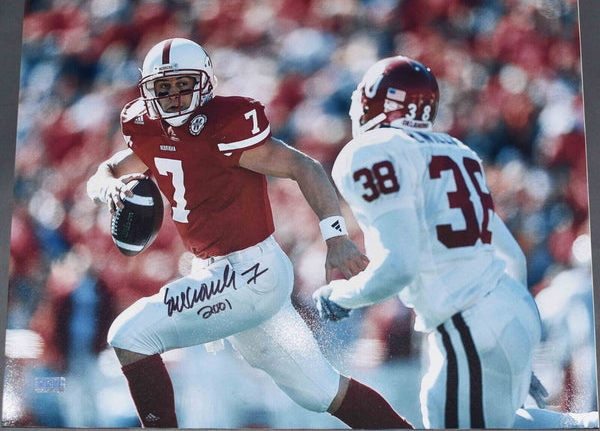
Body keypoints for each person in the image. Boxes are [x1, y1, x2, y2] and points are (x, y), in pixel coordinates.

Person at [86, 37, 413, 429]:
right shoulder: (148, 128)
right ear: (148, 91)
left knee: (129, 335)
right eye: (163, 87)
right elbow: (106, 171)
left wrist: (336, 236)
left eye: (183, 85)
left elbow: (304, 166)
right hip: (229, 273)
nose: (173, 97)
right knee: (320, 391)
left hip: (248, 271)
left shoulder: (224, 125)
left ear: (205, 83)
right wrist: (109, 188)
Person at [313, 56, 598, 429]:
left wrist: (340, 295)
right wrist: (508, 338)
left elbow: (398, 267)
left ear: (373, 102)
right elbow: (512, 255)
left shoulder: (370, 151)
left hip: (467, 320)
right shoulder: (455, 149)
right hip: (508, 307)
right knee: (502, 423)